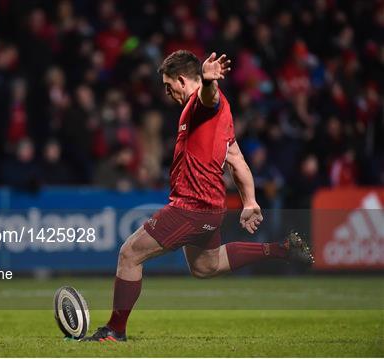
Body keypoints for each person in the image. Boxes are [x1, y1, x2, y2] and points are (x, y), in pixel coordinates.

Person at [83, 50, 314, 342]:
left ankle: (115, 330)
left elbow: (209, 98)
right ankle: (281, 249)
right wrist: (250, 201)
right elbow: (237, 159)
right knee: (207, 266)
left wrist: (207, 80)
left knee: (130, 254)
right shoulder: (224, 113)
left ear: (182, 80)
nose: (167, 93)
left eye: (169, 86)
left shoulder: (201, 104)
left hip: (191, 205)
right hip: (211, 206)